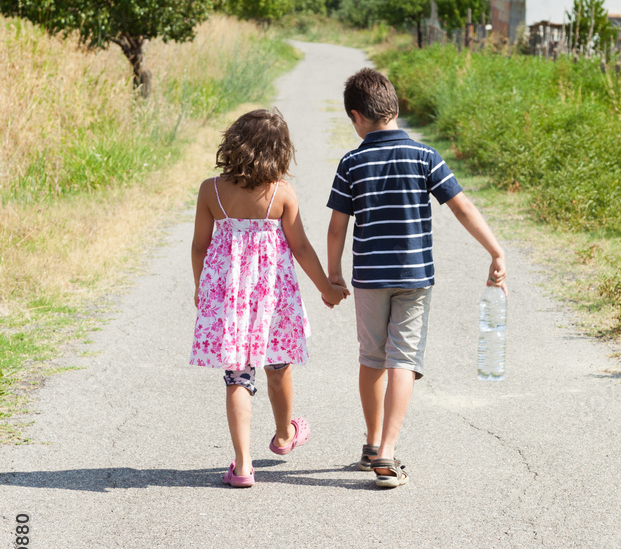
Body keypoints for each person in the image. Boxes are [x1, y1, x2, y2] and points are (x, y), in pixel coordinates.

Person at [326, 67, 507, 489]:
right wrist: (495, 251)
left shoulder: (351, 162)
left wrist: (333, 273)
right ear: (396, 107)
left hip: (370, 277)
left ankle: (372, 445)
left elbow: (338, 227)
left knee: (372, 357)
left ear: (357, 117)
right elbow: (462, 207)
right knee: (402, 358)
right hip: (413, 276)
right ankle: (387, 455)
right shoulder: (425, 157)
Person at [191, 108, 348, 488]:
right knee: (278, 370)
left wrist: (202, 289)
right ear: (279, 152)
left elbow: (199, 246)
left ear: (234, 144)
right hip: (272, 302)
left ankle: (243, 465)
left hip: (228, 301)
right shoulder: (281, 194)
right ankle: (283, 436)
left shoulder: (211, 190)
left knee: (237, 379)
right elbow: (302, 249)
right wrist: (327, 288)